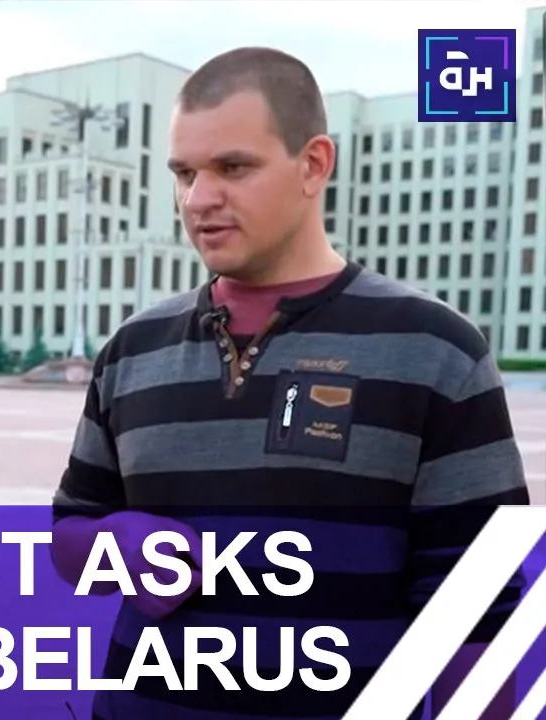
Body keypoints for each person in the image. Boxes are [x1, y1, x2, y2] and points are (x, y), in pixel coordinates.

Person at [49, 47, 529, 720]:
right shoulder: (134, 348)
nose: (198, 199)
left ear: (314, 164)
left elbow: (476, 609)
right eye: (184, 173)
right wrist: (118, 543)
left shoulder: (435, 349)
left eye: (233, 167)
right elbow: (70, 534)